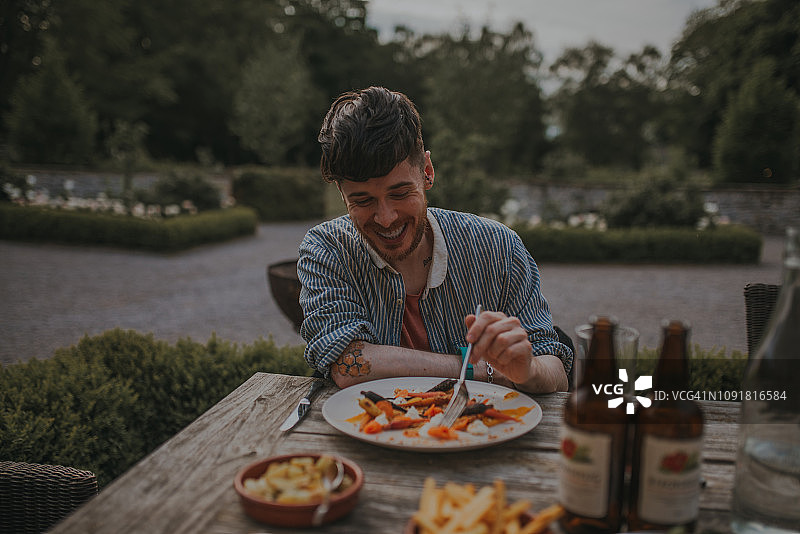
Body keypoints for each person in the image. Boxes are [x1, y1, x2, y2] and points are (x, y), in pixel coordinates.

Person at [297, 86, 572, 393]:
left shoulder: (499, 248)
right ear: (342, 195)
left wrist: (528, 369)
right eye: (362, 201)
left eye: (400, 193)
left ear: (427, 172)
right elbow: (348, 365)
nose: (385, 218)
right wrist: (484, 370)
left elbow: (555, 370)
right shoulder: (326, 249)